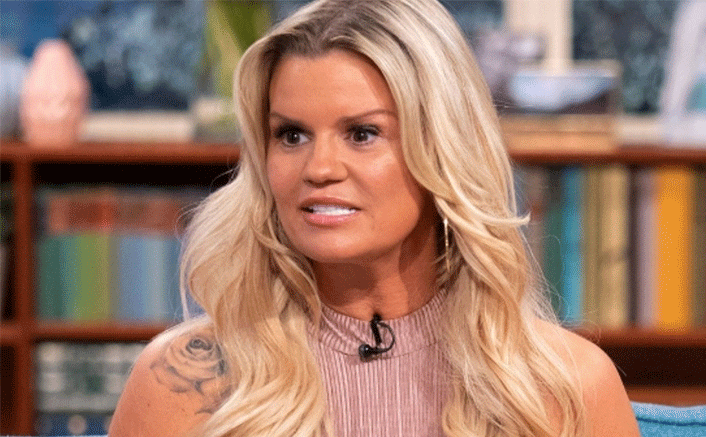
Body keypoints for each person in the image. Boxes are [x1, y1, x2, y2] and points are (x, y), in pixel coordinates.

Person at [109, 1, 640, 436]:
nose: (319, 168)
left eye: (362, 134)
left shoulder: (570, 386)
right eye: (291, 135)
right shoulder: (180, 384)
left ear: (443, 149)